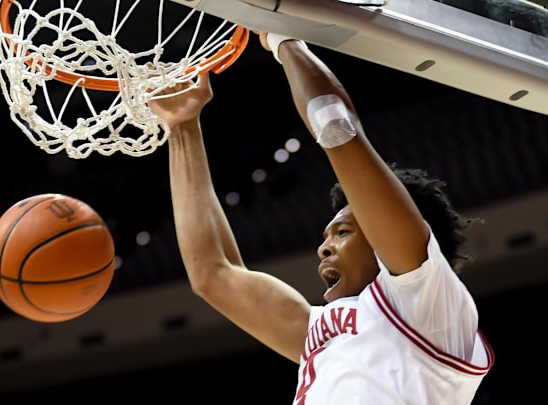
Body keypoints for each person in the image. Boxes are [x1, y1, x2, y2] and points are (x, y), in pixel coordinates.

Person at [147, 31, 494, 404]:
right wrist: (182, 127)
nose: (323, 248)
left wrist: (281, 35)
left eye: (342, 232)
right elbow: (214, 273)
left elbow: (335, 125)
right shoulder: (324, 332)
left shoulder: (428, 300)